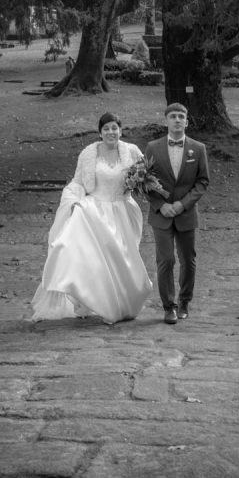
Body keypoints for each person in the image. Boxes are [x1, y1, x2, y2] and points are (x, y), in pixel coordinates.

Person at [31, 112, 152, 324]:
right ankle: (102, 305)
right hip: (94, 212)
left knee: (122, 261)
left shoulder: (132, 152)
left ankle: (125, 303)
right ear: (100, 132)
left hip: (122, 212)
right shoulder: (89, 154)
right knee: (87, 257)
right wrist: (72, 200)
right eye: (106, 129)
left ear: (120, 130)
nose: (110, 132)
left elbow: (147, 177)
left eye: (114, 128)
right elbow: (78, 182)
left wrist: (139, 183)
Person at [141, 103, 210, 324]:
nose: (177, 119)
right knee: (166, 260)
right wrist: (161, 205)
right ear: (166, 121)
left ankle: (184, 302)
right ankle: (168, 306)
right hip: (161, 215)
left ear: (187, 121)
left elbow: (202, 181)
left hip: (186, 213)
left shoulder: (198, 149)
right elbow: (144, 181)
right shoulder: (152, 147)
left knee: (188, 259)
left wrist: (183, 204)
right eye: (173, 116)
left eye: (181, 116)